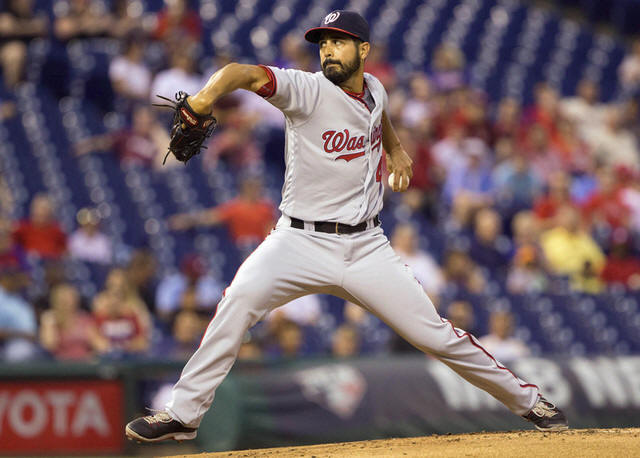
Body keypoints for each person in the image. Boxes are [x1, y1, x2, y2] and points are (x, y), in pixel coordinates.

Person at [125, 10, 567, 442]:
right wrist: (203, 99)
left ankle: (531, 402)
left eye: (338, 42)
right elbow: (240, 73)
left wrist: (396, 149)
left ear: (364, 50)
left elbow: (379, 114)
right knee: (237, 302)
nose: (327, 51)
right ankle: (183, 414)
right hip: (297, 240)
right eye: (323, 43)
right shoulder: (305, 90)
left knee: (436, 335)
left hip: (366, 247)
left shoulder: (375, 88)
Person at [12, 193, 67, 260]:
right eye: (37, 209)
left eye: (44, 209)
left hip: (51, 263)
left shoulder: (58, 230)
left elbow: (65, 252)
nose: (40, 212)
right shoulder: (22, 228)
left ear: (51, 213)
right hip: (28, 263)